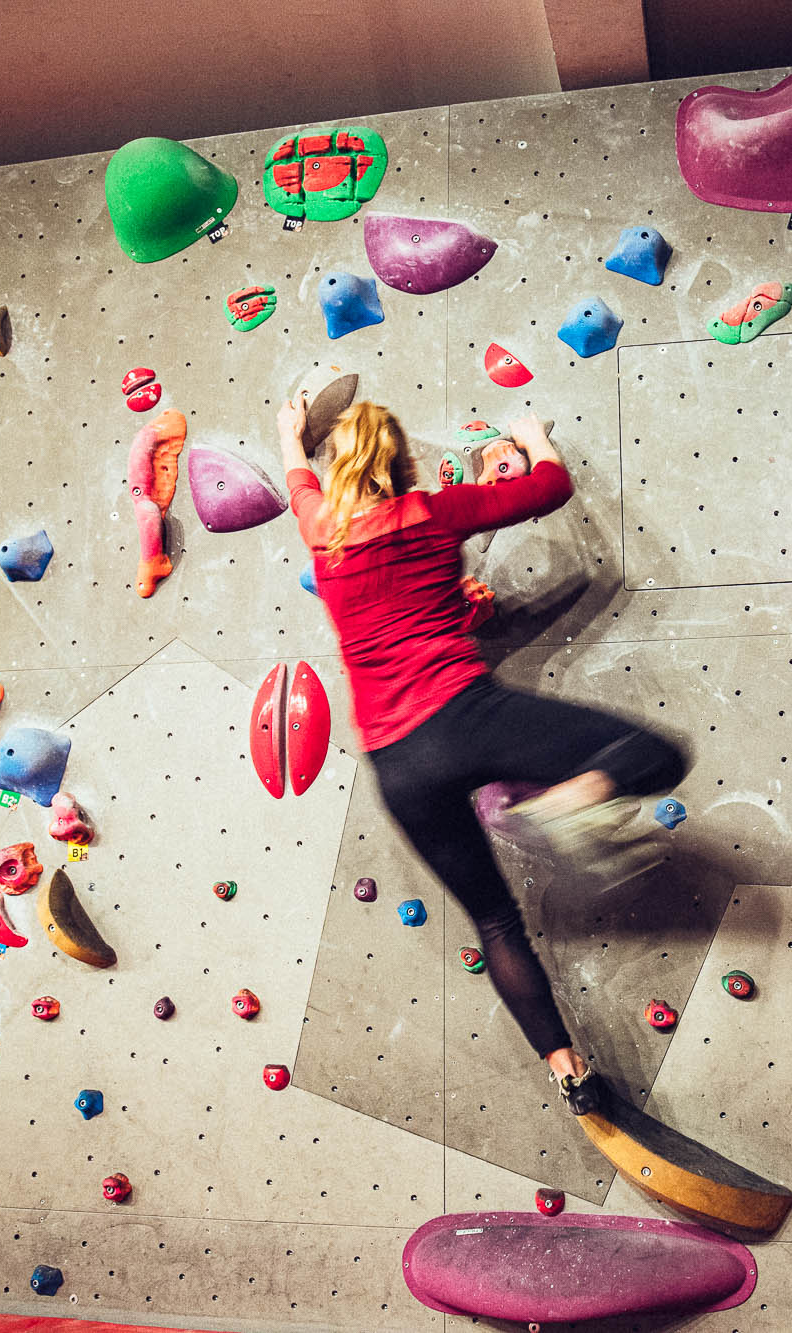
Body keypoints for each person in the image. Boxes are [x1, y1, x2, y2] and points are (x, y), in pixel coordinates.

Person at [276, 397, 688, 1114]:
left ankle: (568, 1071)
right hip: (468, 716)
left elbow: (298, 484)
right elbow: (548, 488)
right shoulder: (437, 512)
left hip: (398, 764)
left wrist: (290, 432)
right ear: (403, 464)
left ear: (338, 472)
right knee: (656, 753)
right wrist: (531, 434)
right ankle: (572, 799)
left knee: (495, 921)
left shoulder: (322, 531)